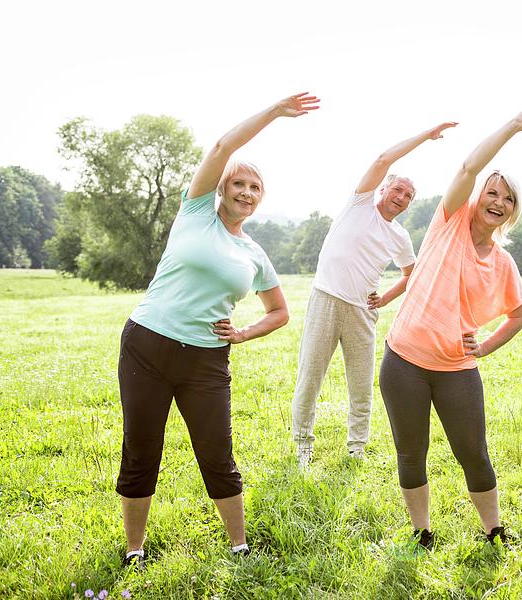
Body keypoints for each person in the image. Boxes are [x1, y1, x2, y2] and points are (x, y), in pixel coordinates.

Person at [116, 92, 320, 566]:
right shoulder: (195, 213)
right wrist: (273, 113)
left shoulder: (254, 253)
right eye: (239, 184)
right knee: (142, 449)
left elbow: (280, 311)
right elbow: (223, 146)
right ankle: (134, 550)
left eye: (256, 188)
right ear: (222, 188)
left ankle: (239, 545)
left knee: (217, 451)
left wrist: (244, 333)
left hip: (207, 359)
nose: (247, 193)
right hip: (147, 344)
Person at [379, 108, 522, 549]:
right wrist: (514, 126)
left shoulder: (503, 263)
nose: (497, 201)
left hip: (457, 369)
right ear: (478, 197)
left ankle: (492, 530)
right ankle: (422, 532)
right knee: (411, 453)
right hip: (404, 362)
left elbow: (518, 315)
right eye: (492, 193)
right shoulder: (448, 223)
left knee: (473, 453)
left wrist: (485, 347)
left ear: (513, 211)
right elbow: (469, 166)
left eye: (508, 199)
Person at [291, 122, 457, 467]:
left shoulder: (399, 237)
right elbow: (383, 158)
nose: (402, 197)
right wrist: (425, 136)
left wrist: (384, 298)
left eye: (408, 196)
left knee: (362, 386)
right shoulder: (359, 204)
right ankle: (303, 444)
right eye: (398, 189)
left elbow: (412, 274)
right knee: (310, 376)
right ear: (384, 188)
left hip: (361, 314)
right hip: (326, 300)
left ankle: (356, 447)